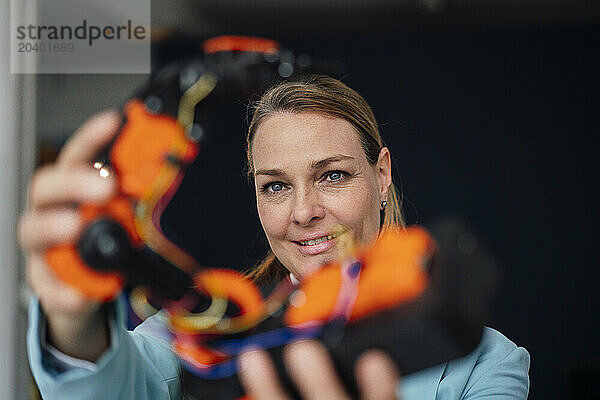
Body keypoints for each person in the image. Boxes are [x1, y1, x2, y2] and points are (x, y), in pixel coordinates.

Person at [19, 75, 530, 399]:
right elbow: (109, 387)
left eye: (333, 175)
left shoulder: (488, 364)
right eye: (277, 186)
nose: (304, 212)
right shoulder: (204, 332)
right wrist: (73, 317)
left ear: (383, 175)